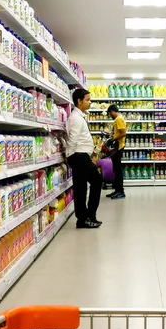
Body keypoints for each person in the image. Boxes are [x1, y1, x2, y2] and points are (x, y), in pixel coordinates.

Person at [67, 88, 102, 229]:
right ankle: (88, 216)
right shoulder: (76, 118)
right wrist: (70, 156)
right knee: (96, 181)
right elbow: (72, 140)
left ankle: (83, 219)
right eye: (87, 100)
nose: (90, 102)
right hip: (79, 157)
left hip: (81, 156)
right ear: (79, 101)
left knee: (81, 188)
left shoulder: (79, 117)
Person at [106, 104, 127, 199]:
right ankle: (117, 190)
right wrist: (111, 135)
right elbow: (119, 133)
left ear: (113, 111)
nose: (110, 115)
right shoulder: (118, 119)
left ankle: (120, 191)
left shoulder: (118, 119)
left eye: (110, 113)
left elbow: (123, 133)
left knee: (118, 170)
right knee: (116, 169)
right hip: (117, 147)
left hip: (118, 147)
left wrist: (113, 139)